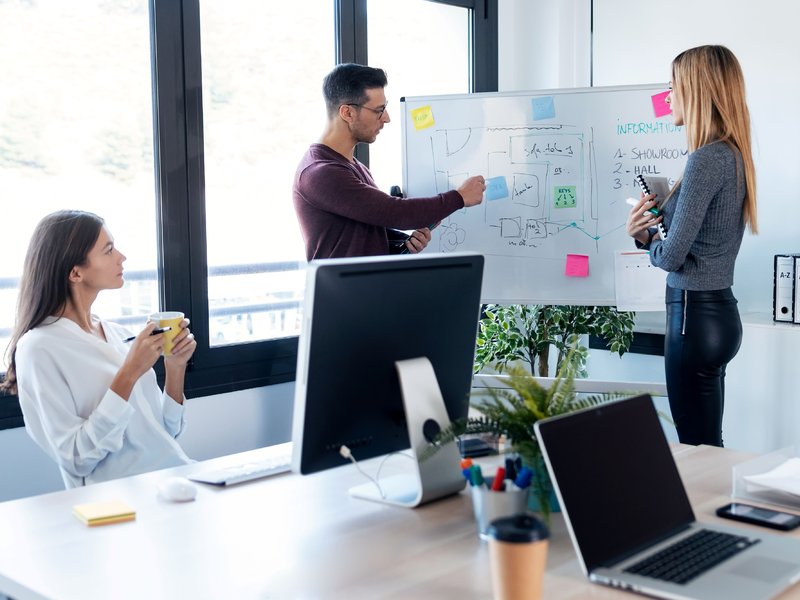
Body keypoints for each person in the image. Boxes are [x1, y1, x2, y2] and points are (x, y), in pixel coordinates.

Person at [1, 210, 197, 488]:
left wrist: (175, 369)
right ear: (75, 272)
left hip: (174, 478)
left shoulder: (118, 335)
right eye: (108, 250)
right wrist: (129, 372)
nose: (121, 257)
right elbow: (76, 458)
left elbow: (164, 434)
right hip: (116, 502)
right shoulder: (38, 348)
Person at [625, 45, 757, 447]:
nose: (668, 97)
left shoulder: (704, 158)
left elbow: (672, 257)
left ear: (696, 90)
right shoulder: (733, 155)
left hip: (693, 318)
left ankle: (706, 512)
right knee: (707, 442)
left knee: (696, 447)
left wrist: (643, 237)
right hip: (720, 315)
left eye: (673, 87)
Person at [293, 63, 486, 261]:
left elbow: (360, 234)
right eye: (379, 110)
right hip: (342, 292)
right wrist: (459, 197)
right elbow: (397, 213)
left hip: (363, 289)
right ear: (347, 113)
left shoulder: (354, 166)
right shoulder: (321, 173)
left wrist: (401, 244)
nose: (386, 118)